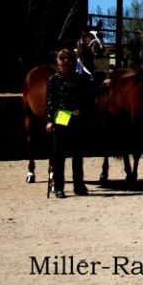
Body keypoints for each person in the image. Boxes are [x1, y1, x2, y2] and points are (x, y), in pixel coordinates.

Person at [45, 48, 92, 198]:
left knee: (78, 154)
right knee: (59, 154)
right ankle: (59, 186)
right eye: (62, 59)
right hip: (62, 116)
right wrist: (50, 120)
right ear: (58, 62)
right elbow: (50, 102)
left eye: (68, 59)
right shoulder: (54, 79)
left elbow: (87, 97)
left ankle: (79, 185)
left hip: (77, 117)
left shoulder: (79, 79)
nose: (65, 62)